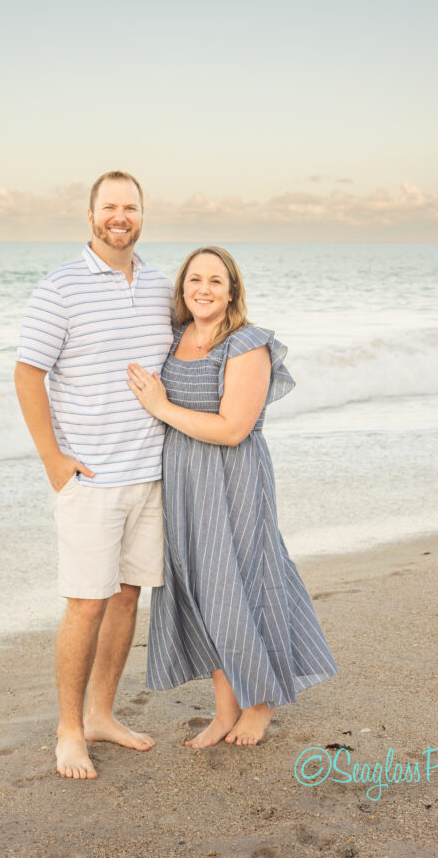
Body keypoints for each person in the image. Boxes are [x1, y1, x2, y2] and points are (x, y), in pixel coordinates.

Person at [127, 246, 337, 748]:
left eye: (215, 281)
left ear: (232, 291)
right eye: (194, 279)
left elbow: (233, 429)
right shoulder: (178, 338)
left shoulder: (246, 344)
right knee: (204, 593)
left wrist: (159, 406)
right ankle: (224, 711)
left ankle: (259, 704)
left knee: (240, 583)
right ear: (182, 289)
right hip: (182, 480)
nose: (203, 288)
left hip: (232, 478)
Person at [14, 171, 173, 779]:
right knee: (86, 605)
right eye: (110, 206)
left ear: (141, 215)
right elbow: (28, 373)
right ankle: (69, 730)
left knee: (128, 596)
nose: (120, 216)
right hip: (91, 479)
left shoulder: (161, 285)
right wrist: (53, 460)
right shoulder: (61, 288)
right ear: (90, 215)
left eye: (130, 207)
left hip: (151, 473)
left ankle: (103, 714)